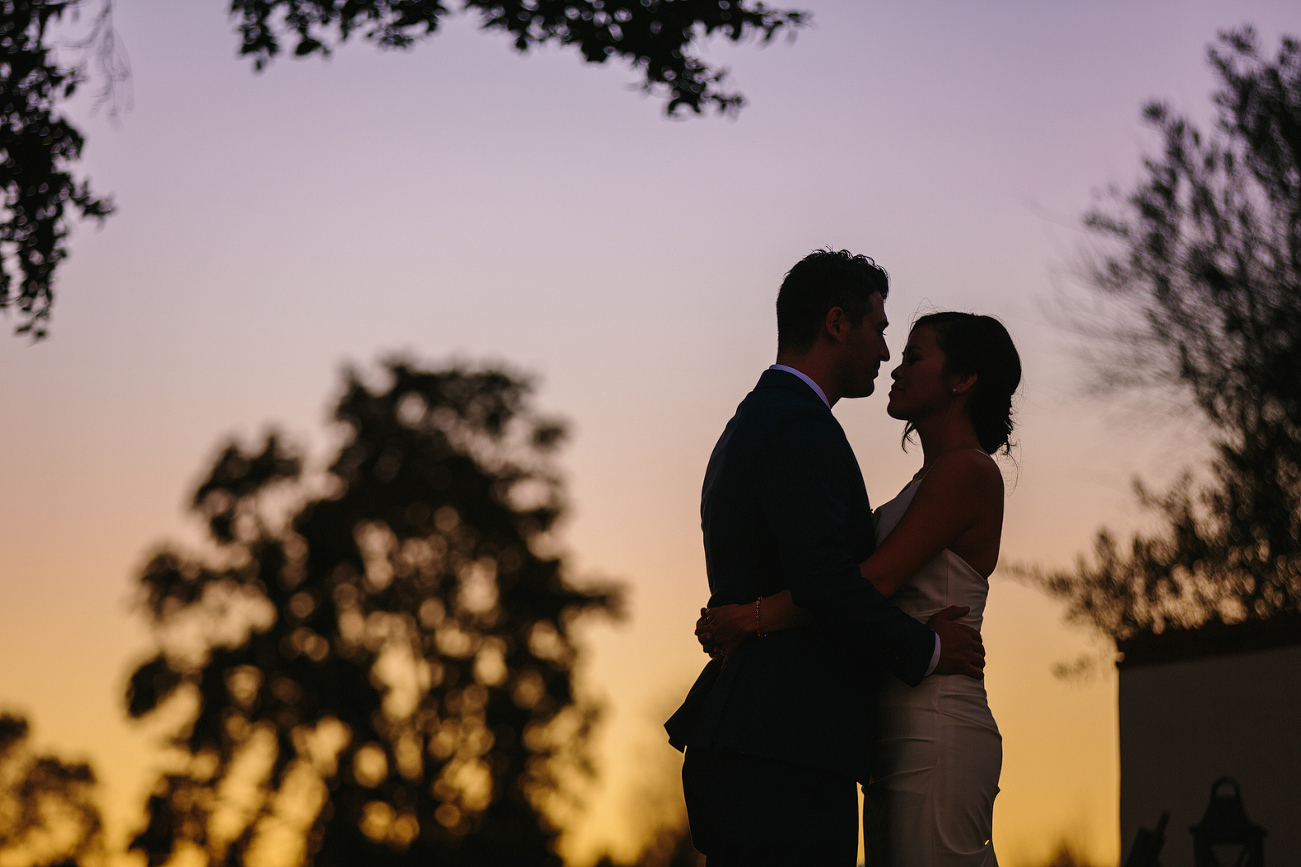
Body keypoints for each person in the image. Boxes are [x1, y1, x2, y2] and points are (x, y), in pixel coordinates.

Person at [664, 250, 987, 866]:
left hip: (761, 742)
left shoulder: (755, 420)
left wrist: (749, 615)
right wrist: (931, 649)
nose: (887, 353)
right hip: (785, 749)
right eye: (880, 328)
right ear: (838, 323)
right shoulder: (798, 428)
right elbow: (827, 583)